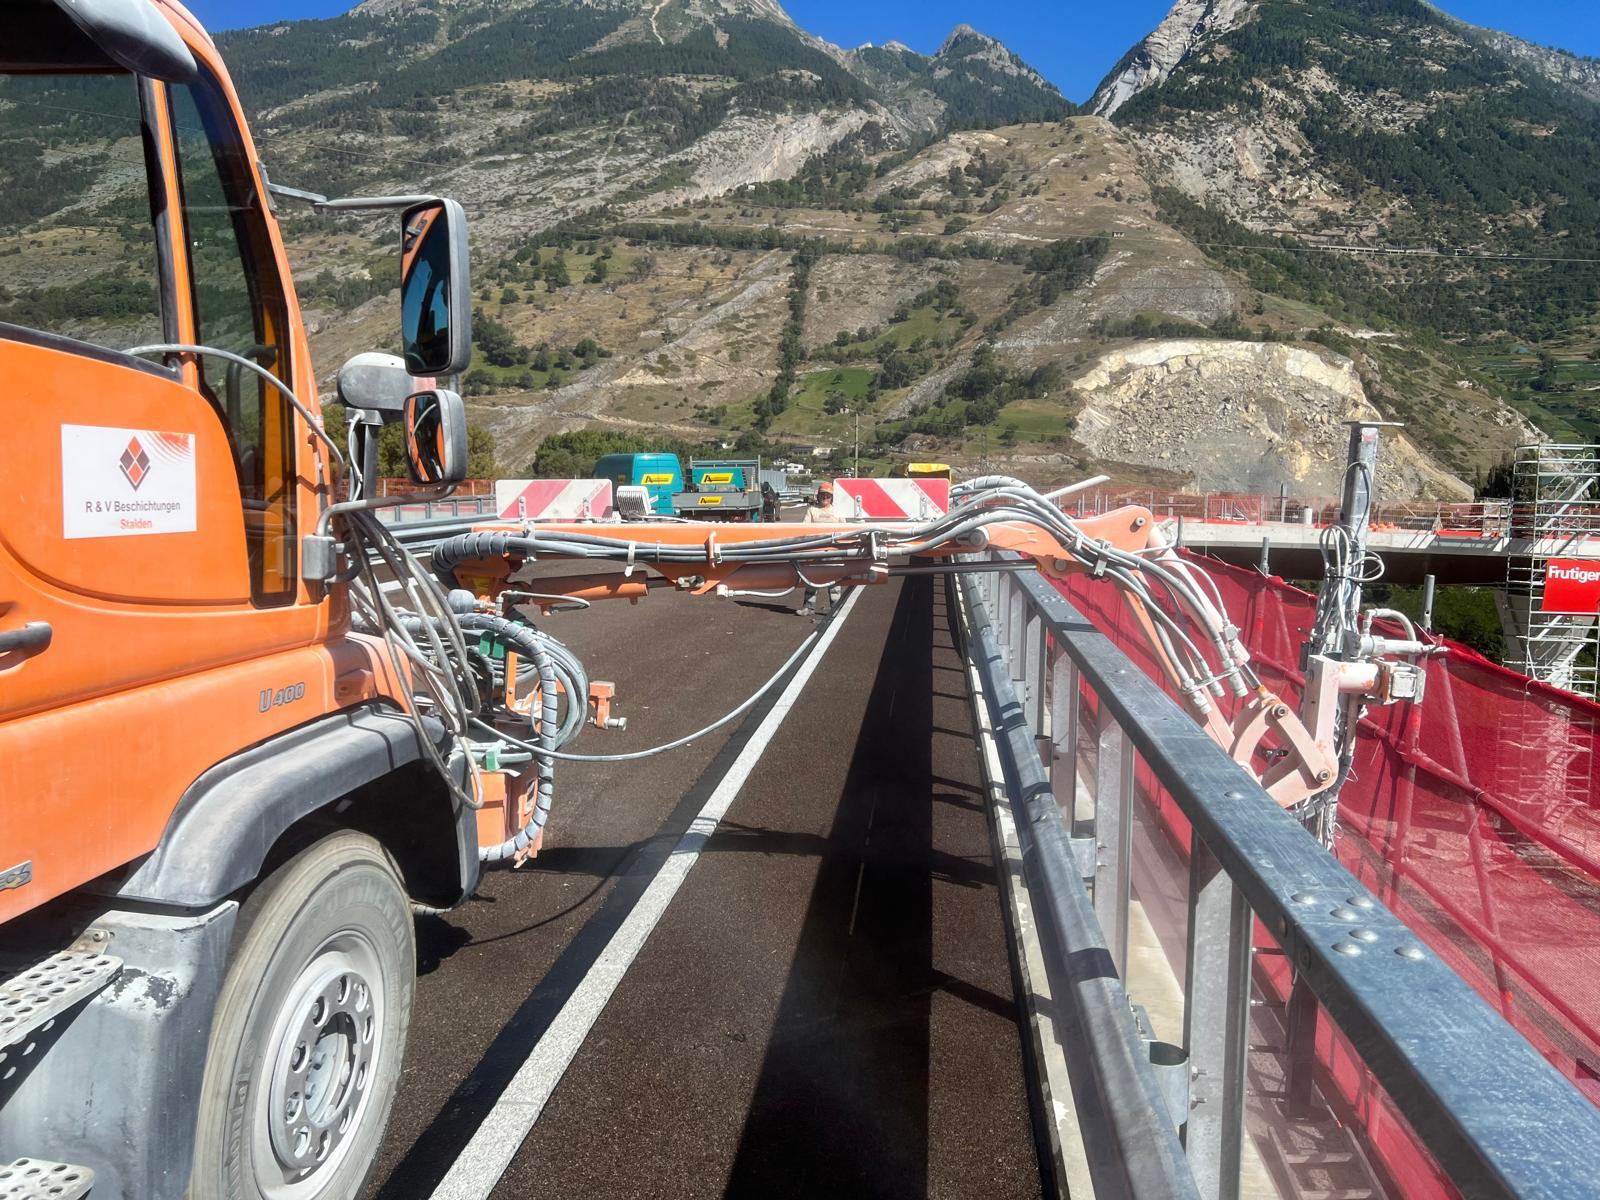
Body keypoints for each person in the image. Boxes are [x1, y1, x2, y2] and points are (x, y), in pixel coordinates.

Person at [799, 482, 843, 617]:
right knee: (811, 579)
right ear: (818, 495)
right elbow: (804, 528)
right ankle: (808, 607)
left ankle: (835, 609)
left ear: (832, 497)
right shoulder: (812, 510)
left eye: (828, 495)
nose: (825, 497)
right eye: (823, 494)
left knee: (834, 581)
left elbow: (844, 529)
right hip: (815, 550)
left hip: (833, 550)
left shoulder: (838, 511)